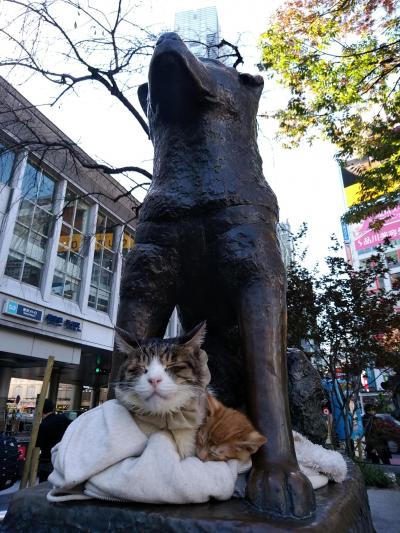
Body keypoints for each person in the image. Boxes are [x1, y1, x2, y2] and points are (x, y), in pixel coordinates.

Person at [36, 399, 70, 482]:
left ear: (40, 409)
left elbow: (38, 445)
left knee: (43, 487)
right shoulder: (64, 419)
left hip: (47, 460)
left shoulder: (43, 425)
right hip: (63, 460)